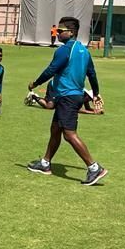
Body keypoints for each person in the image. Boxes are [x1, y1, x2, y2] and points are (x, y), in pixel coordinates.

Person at [26, 17, 108, 185]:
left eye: (60, 31)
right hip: (73, 95)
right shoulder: (84, 51)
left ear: (71, 32)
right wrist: (96, 93)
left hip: (68, 97)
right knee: (55, 129)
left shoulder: (65, 50)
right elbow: (91, 74)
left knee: (69, 135)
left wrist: (35, 83)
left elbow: (52, 69)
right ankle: (45, 163)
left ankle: (94, 168)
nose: (57, 34)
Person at [26, 77, 104, 115]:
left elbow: (87, 108)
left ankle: (42, 98)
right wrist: (93, 113)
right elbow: (77, 109)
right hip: (55, 85)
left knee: (56, 105)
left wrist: (96, 110)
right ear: (87, 95)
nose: (89, 101)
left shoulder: (85, 97)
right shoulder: (80, 95)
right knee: (50, 106)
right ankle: (33, 96)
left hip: (61, 88)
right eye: (90, 99)